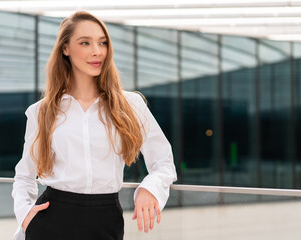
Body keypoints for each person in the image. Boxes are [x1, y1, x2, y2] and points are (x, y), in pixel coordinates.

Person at [11, 10, 177, 240]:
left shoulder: (131, 105)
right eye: (85, 43)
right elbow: (24, 176)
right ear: (65, 49)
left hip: (105, 220)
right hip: (50, 221)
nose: (97, 51)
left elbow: (164, 163)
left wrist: (150, 188)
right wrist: (25, 214)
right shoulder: (42, 111)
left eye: (102, 42)